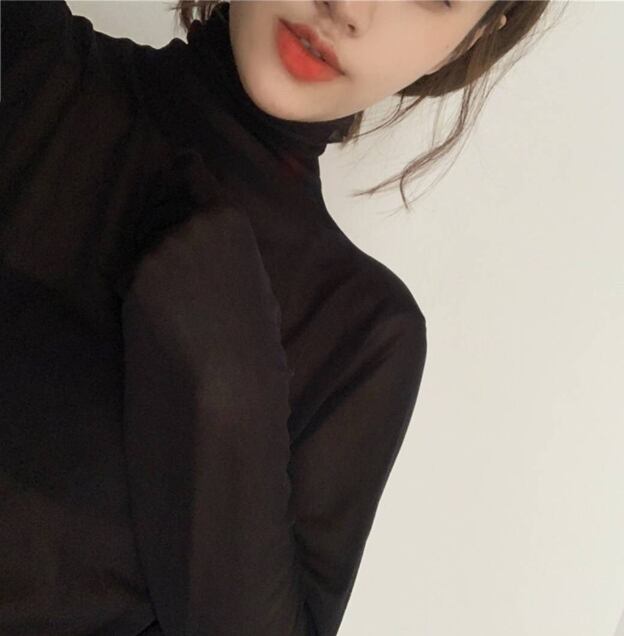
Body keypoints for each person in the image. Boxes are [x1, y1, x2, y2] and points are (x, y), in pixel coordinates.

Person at [0, 2, 552, 634]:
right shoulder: (25, 53)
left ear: (468, 41)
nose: (348, 7)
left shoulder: (361, 334)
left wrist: (233, 397)